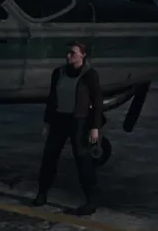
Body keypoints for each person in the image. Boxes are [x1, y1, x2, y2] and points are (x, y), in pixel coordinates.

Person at [32, 41, 104, 216]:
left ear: (83, 55)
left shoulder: (90, 75)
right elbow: (52, 97)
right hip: (59, 119)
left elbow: (97, 101)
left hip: (79, 120)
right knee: (49, 156)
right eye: (68, 53)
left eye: (73, 53)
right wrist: (47, 121)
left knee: (83, 159)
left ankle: (91, 200)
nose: (68, 56)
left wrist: (95, 127)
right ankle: (42, 193)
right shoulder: (59, 73)